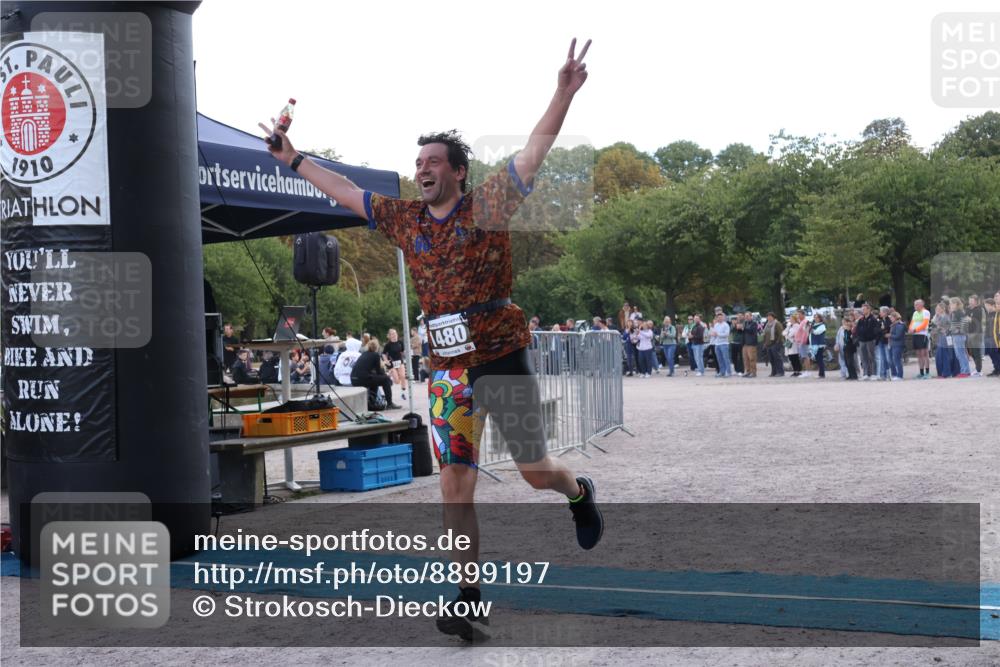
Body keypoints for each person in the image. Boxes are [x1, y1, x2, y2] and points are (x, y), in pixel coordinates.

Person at [261, 37, 603, 642]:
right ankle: (468, 597)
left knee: (534, 472)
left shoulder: (487, 204)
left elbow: (532, 153)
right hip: (447, 368)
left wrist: (562, 92)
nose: (422, 170)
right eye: (418, 163)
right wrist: (293, 160)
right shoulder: (404, 219)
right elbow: (343, 190)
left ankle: (577, 491)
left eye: (433, 163)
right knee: (455, 484)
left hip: (500, 355)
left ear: (458, 172)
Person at [351, 338, 402, 410]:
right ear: (377, 347)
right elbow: (379, 372)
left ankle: (373, 402)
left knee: (374, 380)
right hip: (362, 379)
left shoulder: (364, 354)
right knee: (386, 380)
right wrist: (387, 377)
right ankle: (389, 404)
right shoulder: (375, 355)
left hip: (354, 379)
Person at [907, 299, 932, 379]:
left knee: (924, 353)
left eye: (916, 305)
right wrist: (910, 329)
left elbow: (924, 324)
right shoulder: (915, 313)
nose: (915, 306)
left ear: (921, 305)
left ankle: (927, 372)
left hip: (922, 334)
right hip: (915, 335)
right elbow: (912, 323)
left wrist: (915, 330)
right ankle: (921, 372)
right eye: (914, 305)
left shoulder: (926, 312)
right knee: (918, 354)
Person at [855, 304, 880, 380]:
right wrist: (860, 337)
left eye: (864, 309)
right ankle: (866, 373)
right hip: (862, 340)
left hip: (870, 340)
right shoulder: (861, 320)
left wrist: (871, 336)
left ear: (869, 310)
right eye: (862, 309)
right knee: (864, 358)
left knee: (871, 357)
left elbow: (875, 330)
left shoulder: (873, 319)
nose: (863, 311)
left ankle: (874, 373)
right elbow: (858, 329)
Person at [949, 297, 972, 378]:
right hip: (957, 335)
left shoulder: (958, 312)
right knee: (959, 354)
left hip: (959, 335)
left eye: (951, 304)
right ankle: (965, 371)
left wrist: (959, 330)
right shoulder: (955, 312)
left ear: (956, 304)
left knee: (961, 354)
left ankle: (965, 371)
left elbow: (966, 321)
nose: (950, 305)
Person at [383, 328, 408, 401]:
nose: (394, 335)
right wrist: (386, 360)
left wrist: (407, 356)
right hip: (392, 363)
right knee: (397, 381)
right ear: (390, 336)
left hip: (400, 362)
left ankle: (403, 393)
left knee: (403, 376)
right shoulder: (388, 345)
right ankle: (391, 375)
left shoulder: (400, 342)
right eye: (392, 334)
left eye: (395, 333)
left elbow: (403, 351)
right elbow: (384, 354)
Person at [931, 303, 952, 379]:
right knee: (939, 356)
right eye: (936, 308)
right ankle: (940, 373)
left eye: (938, 308)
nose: (937, 310)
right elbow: (933, 323)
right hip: (939, 337)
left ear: (942, 309)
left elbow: (949, 327)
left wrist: (942, 329)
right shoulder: (938, 316)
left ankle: (946, 373)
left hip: (944, 337)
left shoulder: (946, 316)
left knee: (944, 355)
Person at [967, 294, 986, 377]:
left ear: (976, 301)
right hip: (969, 333)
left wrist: (969, 319)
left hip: (977, 333)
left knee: (977, 352)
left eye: (971, 301)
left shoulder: (979, 309)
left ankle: (979, 370)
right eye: (969, 300)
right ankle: (977, 369)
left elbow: (977, 320)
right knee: (972, 352)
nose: (970, 302)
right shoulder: (968, 309)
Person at [762, 312, 784, 377]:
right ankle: (773, 372)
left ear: (773, 317)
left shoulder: (777, 324)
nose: (769, 317)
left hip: (775, 343)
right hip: (768, 344)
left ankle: (780, 372)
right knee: (771, 359)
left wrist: (777, 342)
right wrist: (765, 343)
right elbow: (765, 334)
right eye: (768, 316)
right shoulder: (767, 324)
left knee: (777, 358)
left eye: (770, 316)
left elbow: (780, 334)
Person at [710, 312, 732, 377]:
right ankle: (722, 372)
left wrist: (718, 334)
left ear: (723, 318)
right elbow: (714, 333)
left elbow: (726, 334)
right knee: (719, 359)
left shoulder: (726, 325)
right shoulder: (716, 325)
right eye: (718, 317)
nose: (719, 318)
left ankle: (728, 372)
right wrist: (713, 334)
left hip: (724, 344)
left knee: (726, 358)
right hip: (717, 344)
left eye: (720, 317)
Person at [739, 314, 760, 378]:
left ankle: (753, 372)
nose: (746, 317)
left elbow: (752, 331)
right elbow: (743, 332)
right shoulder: (745, 323)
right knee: (746, 359)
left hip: (751, 344)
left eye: (748, 316)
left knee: (752, 359)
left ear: (751, 316)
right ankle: (748, 372)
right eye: (745, 316)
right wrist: (739, 329)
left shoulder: (754, 323)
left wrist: (744, 328)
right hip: (745, 344)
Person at [888, 311, 906, 380]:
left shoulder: (900, 325)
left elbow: (898, 336)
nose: (890, 319)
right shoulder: (893, 325)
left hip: (898, 345)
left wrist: (890, 335)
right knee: (891, 360)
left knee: (897, 360)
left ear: (895, 317)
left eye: (891, 317)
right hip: (892, 344)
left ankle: (899, 375)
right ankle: (894, 374)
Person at [983, 298, 999, 377]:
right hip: (988, 338)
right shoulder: (988, 314)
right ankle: (996, 369)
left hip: (995, 338)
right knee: (991, 354)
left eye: (987, 305)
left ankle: (998, 369)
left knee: (996, 354)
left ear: (992, 305)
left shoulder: (997, 313)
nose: (986, 307)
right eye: (985, 306)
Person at [875, 306, 892, 381]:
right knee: (882, 358)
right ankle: (883, 374)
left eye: (881, 312)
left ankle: (889, 374)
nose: (880, 313)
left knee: (888, 358)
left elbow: (888, 329)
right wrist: (882, 331)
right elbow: (876, 329)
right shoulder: (880, 320)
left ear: (885, 312)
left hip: (887, 341)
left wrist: (883, 330)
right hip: (881, 341)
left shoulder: (889, 320)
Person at [809, 313, 827, 379]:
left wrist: (811, 329)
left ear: (820, 318)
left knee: (820, 359)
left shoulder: (822, 325)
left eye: (817, 317)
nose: (815, 319)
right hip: (814, 344)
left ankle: (822, 374)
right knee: (818, 359)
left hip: (819, 344)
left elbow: (817, 332)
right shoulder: (814, 325)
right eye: (814, 317)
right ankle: (820, 373)